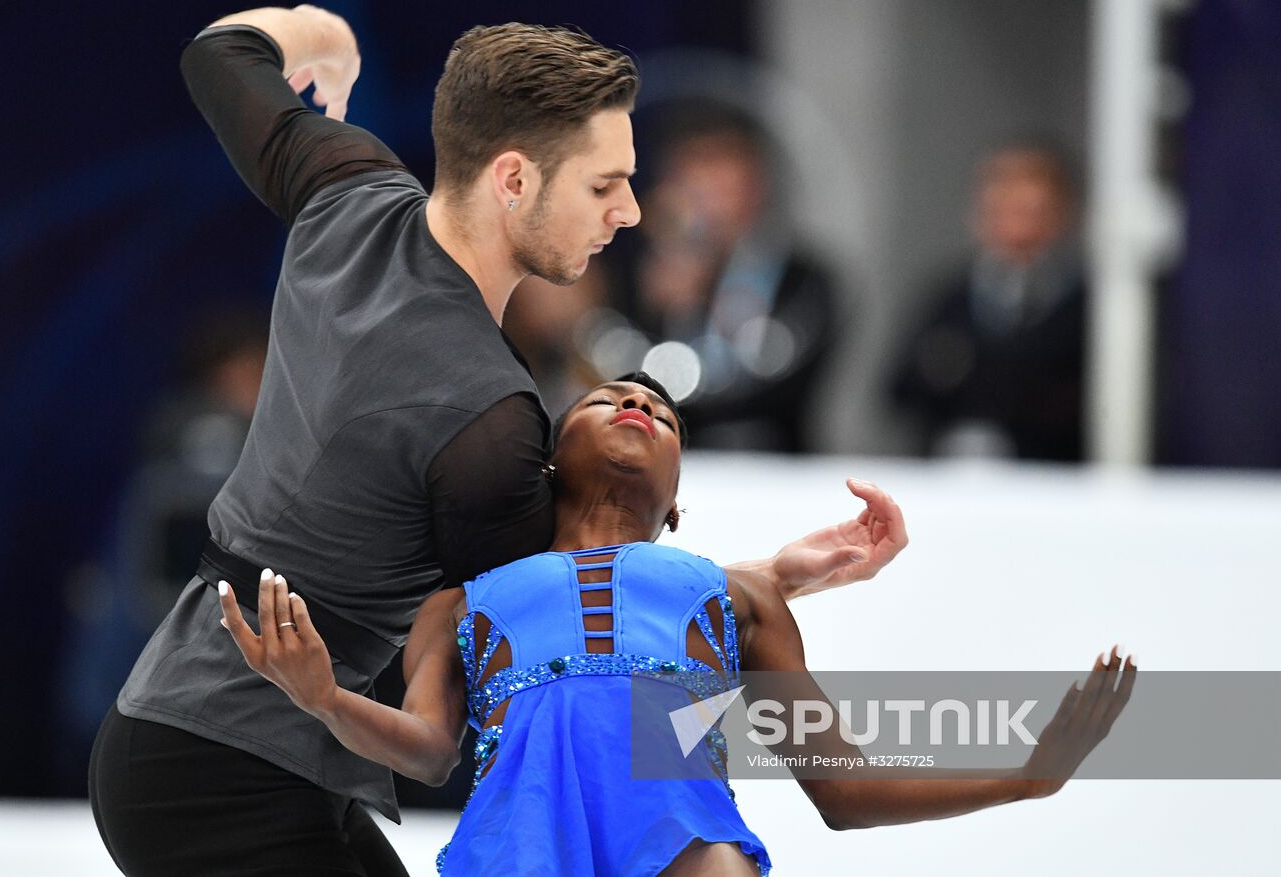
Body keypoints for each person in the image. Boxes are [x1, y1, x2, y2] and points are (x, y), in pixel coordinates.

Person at [89, 5, 909, 875]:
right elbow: (582, 619)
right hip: (227, 775)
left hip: (196, 739)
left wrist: (324, 39)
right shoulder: (487, 417)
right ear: (513, 179)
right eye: (604, 185)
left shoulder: (350, 187)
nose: (631, 211)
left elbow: (222, 52)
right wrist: (774, 579)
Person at [220, 375, 1135, 876]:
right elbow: (424, 749)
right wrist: (325, 697)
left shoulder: (739, 597)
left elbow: (843, 790)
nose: (640, 405)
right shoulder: (465, 601)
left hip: (692, 850)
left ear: (678, 508)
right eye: (606, 398)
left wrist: (1028, 778)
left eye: (662, 413)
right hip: (521, 847)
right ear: (547, 464)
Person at [608, 101, 839, 452]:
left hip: (775, 467)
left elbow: (777, 388)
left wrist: (709, 297)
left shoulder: (804, 279)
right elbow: (619, 378)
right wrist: (660, 312)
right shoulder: (641, 271)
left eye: (718, 162)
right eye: (689, 164)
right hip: (667, 458)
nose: (703, 184)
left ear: (757, 180)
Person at [891, 139, 1087, 461]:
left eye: (1025, 205)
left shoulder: (1089, 308)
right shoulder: (951, 296)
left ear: (1060, 209)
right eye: (998, 196)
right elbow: (904, 387)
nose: (1009, 204)